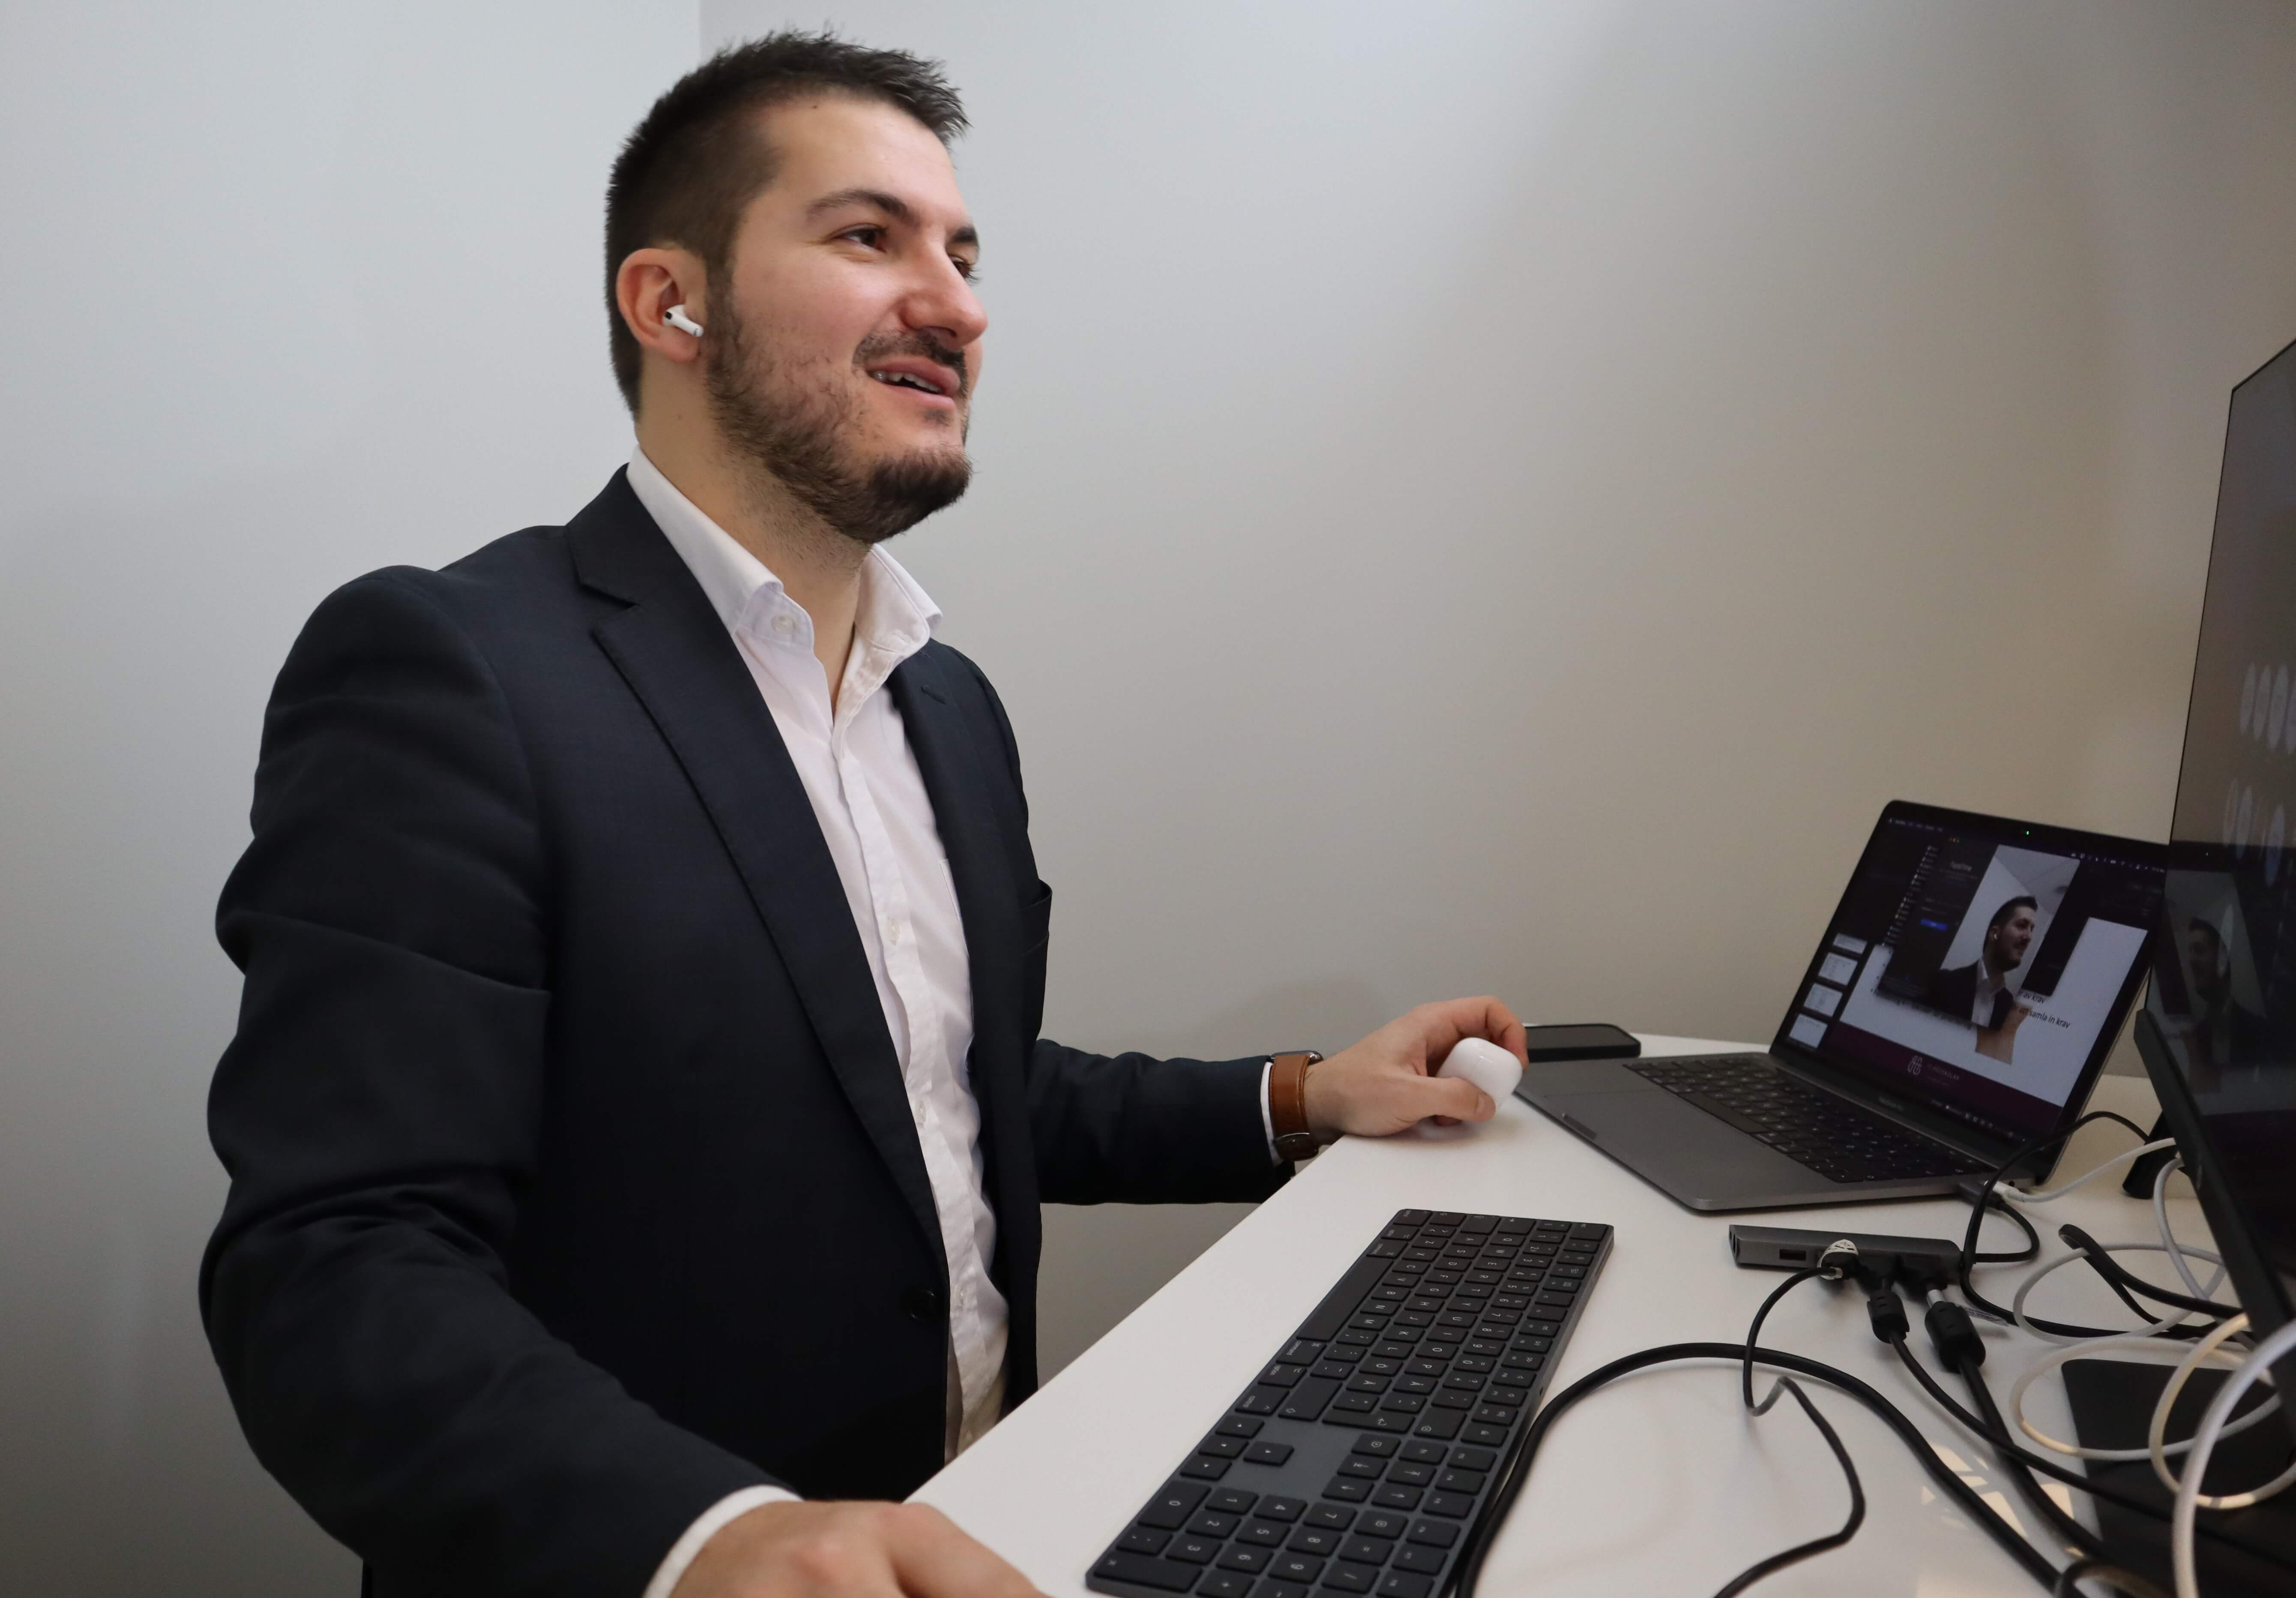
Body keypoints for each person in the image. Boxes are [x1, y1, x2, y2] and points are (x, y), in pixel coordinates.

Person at [199, 33, 1521, 1598]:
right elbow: (337, 1264)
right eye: (868, 235)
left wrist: (1303, 1098)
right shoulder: (451, 670)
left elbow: (942, 1097)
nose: (957, 303)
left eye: (963, 255)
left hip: (983, 1532)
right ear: (669, 301)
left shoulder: (946, 705)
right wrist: (716, 1537)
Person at [1926, 894, 2038, 1031]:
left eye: (2032, 929)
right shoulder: (1943, 982)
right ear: (1995, 934)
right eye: (2022, 926)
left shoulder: (2009, 1005)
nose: (2029, 937)